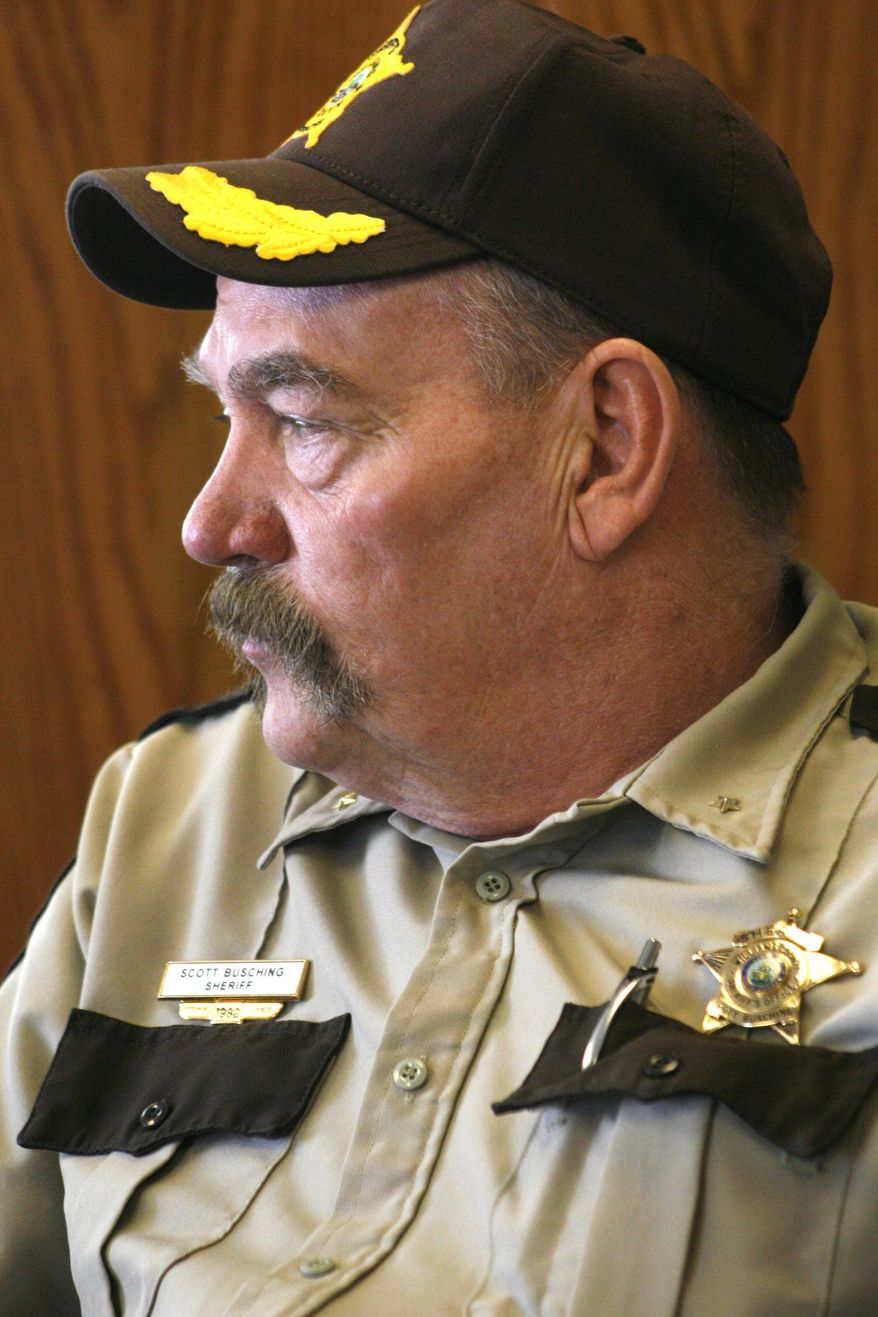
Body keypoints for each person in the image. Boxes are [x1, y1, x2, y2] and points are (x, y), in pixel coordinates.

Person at [2, 0, 877, 1311]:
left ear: (604, 445)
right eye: (220, 414)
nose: (208, 522)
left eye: (299, 420)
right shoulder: (174, 819)